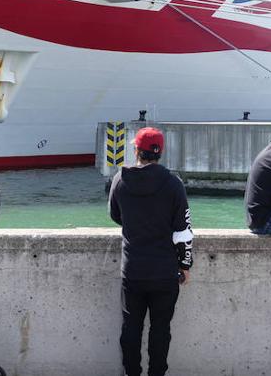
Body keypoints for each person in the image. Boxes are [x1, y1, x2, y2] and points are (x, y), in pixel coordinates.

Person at [108, 127, 194, 376]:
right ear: (160, 151)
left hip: (133, 269)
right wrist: (185, 265)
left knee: (130, 328)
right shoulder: (173, 183)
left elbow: (115, 215)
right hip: (165, 272)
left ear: (136, 149)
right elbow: (183, 230)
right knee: (160, 331)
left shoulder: (120, 179)